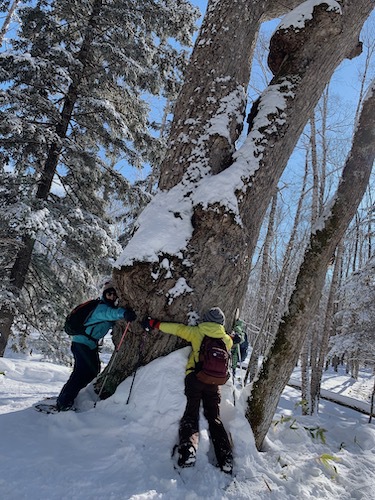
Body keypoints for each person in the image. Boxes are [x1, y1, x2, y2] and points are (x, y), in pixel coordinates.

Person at [142, 307, 234, 474]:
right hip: (214, 382)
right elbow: (233, 341)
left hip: (195, 378)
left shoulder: (196, 332)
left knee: (191, 414)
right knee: (215, 418)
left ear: (205, 319)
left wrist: (155, 323)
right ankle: (225, 457)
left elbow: (176, 329)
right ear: (222, 323)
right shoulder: (226, 339)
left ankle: (188, 450)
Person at [56, 280, 136, 411]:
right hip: (82, 343)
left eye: (114, 295)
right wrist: (124, 313)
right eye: (109, 294)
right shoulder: (100, 307)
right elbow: (109, 314)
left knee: (92, 372)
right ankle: (64, 402)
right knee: (82, 372)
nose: (112, 297)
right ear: (104, 294)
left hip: (88, 344)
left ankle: (72, 397)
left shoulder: (106, 307)